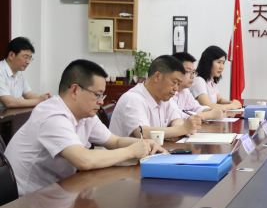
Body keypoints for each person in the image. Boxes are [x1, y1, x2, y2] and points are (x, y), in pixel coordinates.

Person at [4, 59, 166, 196]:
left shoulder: (85, 115)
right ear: (74, 90)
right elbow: (84, 160)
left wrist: (144, 144)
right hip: (27, 200)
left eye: (102, 95)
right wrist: (131, 151)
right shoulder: (52, 115)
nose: (101, 101)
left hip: (58, 191)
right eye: (97, 94)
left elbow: (115, 142)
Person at [109, 55, 202, 139]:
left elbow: (176, 119)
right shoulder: (133, 99)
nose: (176, 88)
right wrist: (182, 129)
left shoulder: (164, 98)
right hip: (128, 153)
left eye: (178, 84)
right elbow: (143, 133)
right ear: (157, 76)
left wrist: (180, 129)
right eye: (174, 82)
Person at [171, 52, 226, 121]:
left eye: (193, 72)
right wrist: (211, 114)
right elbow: (178, 116)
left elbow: (196, 107)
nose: (192, 76)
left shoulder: (185, 92)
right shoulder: (168, 93)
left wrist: (211, 110)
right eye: (188, 71)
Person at [0, 37, 51, 110]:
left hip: (12, 115)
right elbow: (8, 102)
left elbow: (29, 94)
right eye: (25, 57)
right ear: (11, 55)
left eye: (30, 58)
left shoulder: (20, 73)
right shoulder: (1, 71)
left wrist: (45, 99)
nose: (28, 62)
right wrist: (38, 101)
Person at [190, 46, 242, 110]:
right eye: (219, 62)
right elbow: (208, 106)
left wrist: (232, 102)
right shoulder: (199, 81)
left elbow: (219, 100)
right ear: (208, 62)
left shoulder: (211, 81)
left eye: (223, 63)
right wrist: (232, 106)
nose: (222, 67)